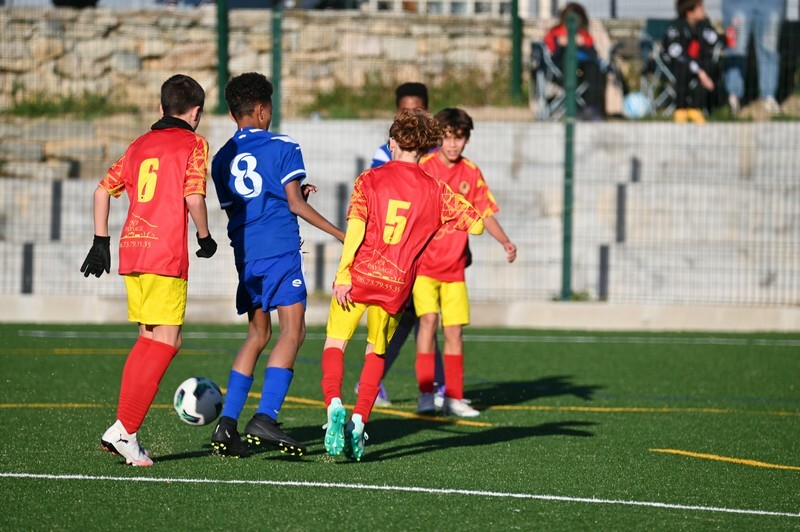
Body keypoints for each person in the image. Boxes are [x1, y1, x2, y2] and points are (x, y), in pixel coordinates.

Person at [320, 108, 485, 461]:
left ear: (393, 142)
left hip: (360, 276)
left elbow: (355, 230)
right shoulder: (437, 190)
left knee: (336, 342)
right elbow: (477, 225)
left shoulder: (369, 179)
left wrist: (343, 274)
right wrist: (444, 217)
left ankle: (334, 403)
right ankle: (359, 421)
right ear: (425, 148)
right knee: (375, 351)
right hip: (396, 285)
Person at [81, 74, 218, 467]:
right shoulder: (194, 143)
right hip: (164, 253)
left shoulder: (139, 144)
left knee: (147, 339)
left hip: (132, 250)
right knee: (168, 341)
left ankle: (124, 429)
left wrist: (100, 241)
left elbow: (101, 190)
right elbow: (194, 196)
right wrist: (205, 237)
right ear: (196, 112)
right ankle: (126, 429)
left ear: (161, 108)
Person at [209, 72, 345, 458]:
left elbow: (243, 208)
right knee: (294, 330)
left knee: (258, 333)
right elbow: (295, 205)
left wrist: (287, 198)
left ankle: (226, 423)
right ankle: (265, 416)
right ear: (261, 109)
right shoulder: (283, 145)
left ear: (233, 114)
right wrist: (341, 233)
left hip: (246, 254)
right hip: (280, 249)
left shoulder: (221, 159)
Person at [414, 108, 517, 417]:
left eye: (459, 138)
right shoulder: (423, 167)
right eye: (447, 137)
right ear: (439, 138)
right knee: (428, 323)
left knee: (455, 331)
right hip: (424, 266)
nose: (452, 144)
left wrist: (504, 241)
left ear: (467, 140)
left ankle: (454, 397)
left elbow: (485, 212)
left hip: (455, 268)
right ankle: (425, 394)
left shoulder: (471, 173)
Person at [364, 81, 445, 408]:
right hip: (398, 255)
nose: (411, 115)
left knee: (425, 318)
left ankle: (433, 388)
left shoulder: (438, 153)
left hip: (432, 252)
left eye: (418, 110)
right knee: (407, 318)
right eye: (405, 110)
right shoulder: (386, 153)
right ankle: (430, 389)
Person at [544, 2, 607, 120]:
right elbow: (551, 57)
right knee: (573, 70)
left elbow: (594, 55)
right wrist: (561, 44)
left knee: (596, 71)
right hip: (561, 70)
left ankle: (592, 109)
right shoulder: (555, 33)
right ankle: (575, 110)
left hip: (585, 70)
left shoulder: (583, 35)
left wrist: (583, 44)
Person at [722, 0, 786, 115]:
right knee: (736, 49)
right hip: (737, 3)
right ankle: (733, 97)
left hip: (770, 3)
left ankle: (769, 96)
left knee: (769, 47)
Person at [663, 0, 720, 124]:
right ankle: (680, 109)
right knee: (683, 68)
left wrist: (707, 25)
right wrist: (700, 72)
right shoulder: (676, 27)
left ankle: (696, 107)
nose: (704, 11)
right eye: (700, 8)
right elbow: (676, 53)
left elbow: (715, 40)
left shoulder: (702, 25)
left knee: (712, 65)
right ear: (689, 12)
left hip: (697, 65)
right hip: (677, 65)